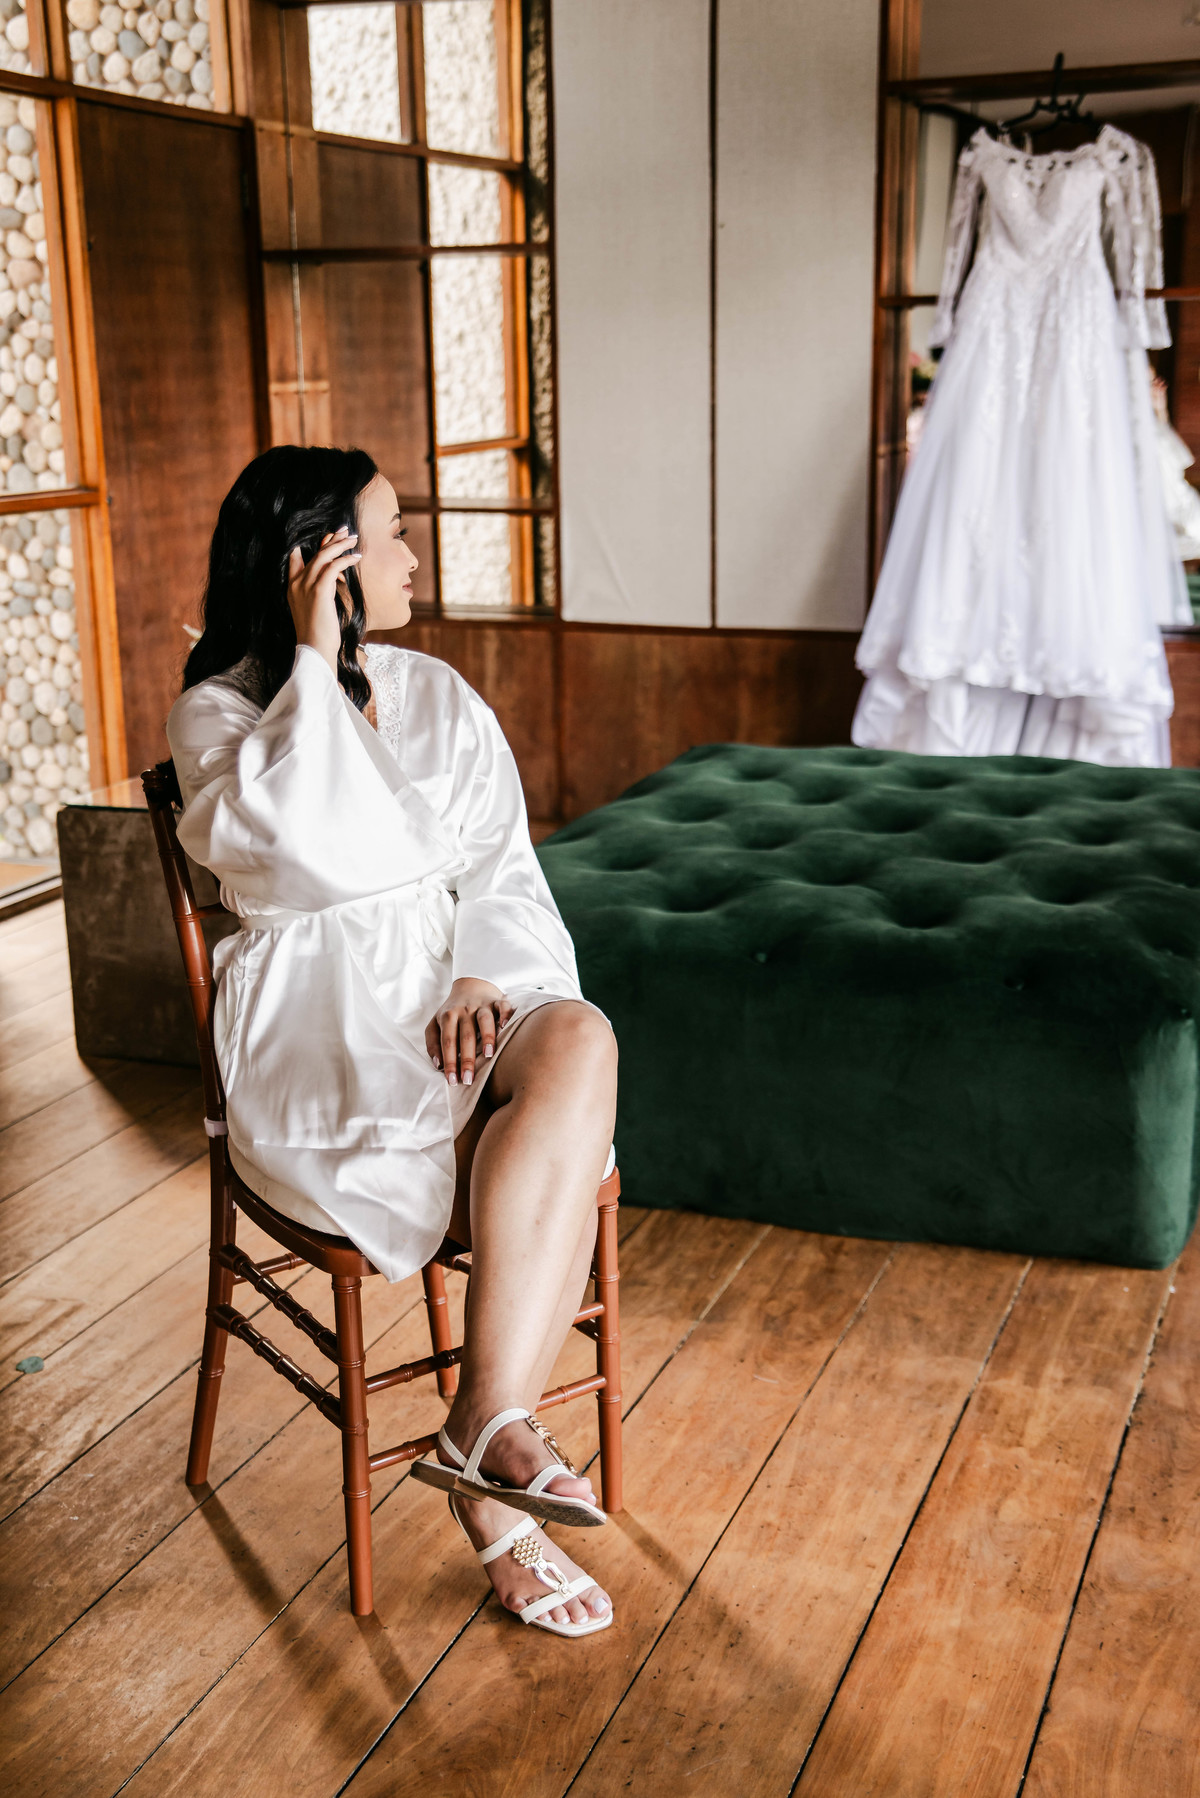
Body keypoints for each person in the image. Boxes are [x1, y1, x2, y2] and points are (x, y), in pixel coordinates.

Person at [167, 445, 618, 1638]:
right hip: (321, 1030)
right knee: (552, 1153)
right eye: (392, 532)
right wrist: (315, 664)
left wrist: (480, 970)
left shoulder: (434, 691)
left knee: (579, 1039)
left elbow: (501, 865)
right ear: (319, 565)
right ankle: (502, 1490)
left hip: (451, 1001)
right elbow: (289, 846)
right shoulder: (219, 712)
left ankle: (483, 1424)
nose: (415, 555)